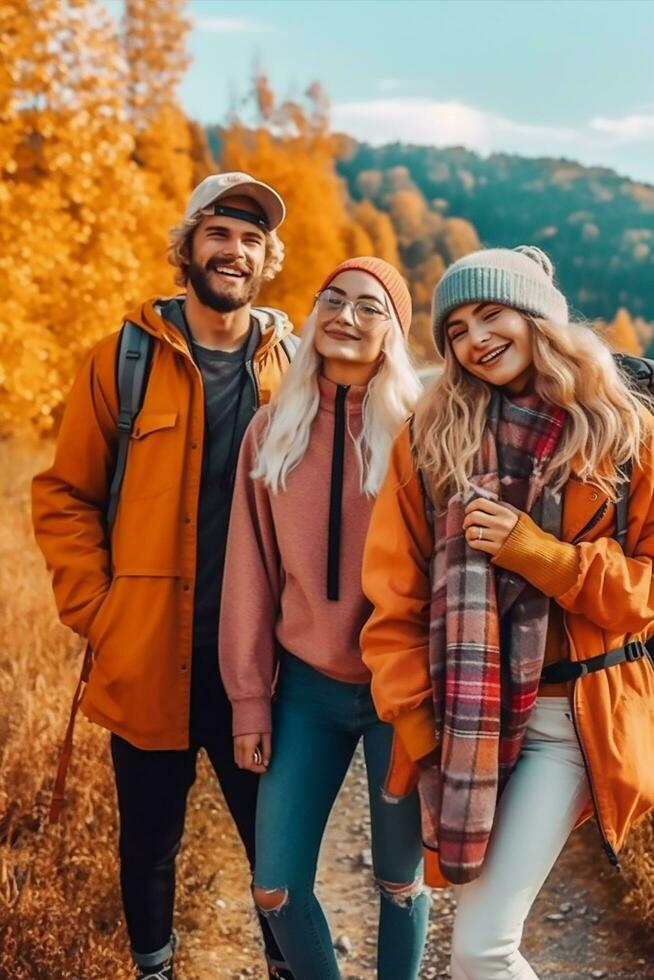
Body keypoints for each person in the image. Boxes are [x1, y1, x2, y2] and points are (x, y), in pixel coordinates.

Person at [361, 245, 654, 980]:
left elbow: (646, 592)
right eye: (455, 327)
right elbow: (393, 597)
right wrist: (419, 720)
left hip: (572, 721)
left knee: (482, 947)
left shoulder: (625, 430)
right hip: (469, 721)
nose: (474, 338)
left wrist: (543, 555)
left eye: (491, 314)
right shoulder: (431, 439)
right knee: (481, 941)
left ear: (538, 318)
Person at [32, 172, 298, 980]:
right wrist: (99, 610)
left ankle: (288, 969)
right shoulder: (123, 358)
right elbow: (65, 494)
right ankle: (156, 970)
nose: (235, 251)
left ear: (266, 260)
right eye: (219, 233)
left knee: (276, 847)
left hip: (258, 664)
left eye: (252, 240)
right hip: (145, 654)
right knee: (149, 841)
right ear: (187, 247)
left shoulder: (291, 368)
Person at [220, 257, 429, 980]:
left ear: (393, 333)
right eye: (333, 300)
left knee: (399, 883)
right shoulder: (271, 430)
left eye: (369, 307)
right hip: (305, 689)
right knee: (275, 887)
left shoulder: (419, 434)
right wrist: (250, 698)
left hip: (398, 691)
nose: (346, 315)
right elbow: (248, 573)